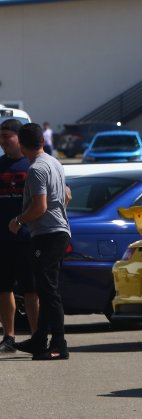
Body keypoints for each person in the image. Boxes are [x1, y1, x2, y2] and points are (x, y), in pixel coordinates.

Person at [9, 123, 70, 360]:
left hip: (48, 234)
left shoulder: (36, 169)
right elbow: (66, 194)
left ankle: (58, 344)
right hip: (58, 231)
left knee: (49, 290)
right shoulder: (54, 162)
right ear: (43, 141)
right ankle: (39, 340)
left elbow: (40, 206)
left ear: (22, 146)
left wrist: (19, 220)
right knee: (46, 289)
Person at [0, 119, 39, 354]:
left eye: (7, 136)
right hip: (3, 239)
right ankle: (9, 337)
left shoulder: (32, 165)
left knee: (31, 289)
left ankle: (37, 335)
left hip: (28, 237)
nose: (3, 141)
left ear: (19, 138)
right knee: (3, 288)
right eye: (0, 137)